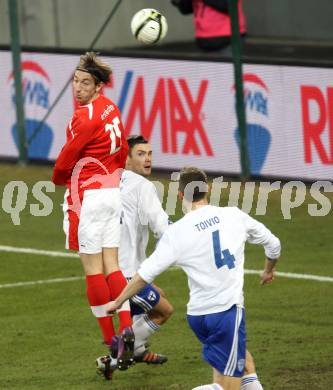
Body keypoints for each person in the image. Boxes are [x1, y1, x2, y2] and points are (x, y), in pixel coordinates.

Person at [106, 167, 281, 390]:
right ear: (207, 189)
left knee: (245, 363)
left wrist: (118, 301)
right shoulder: (234, 215)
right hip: (226, 312)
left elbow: (144, 275)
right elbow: (274, 244)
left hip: (198, 316)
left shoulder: (176, 232)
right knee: (228, 387)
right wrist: (268, 270)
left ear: (180, 195)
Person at [52, 52, 134, 371]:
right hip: (112, 191)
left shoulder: (84, 117)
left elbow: (68, 156)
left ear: (98, 86)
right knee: (112, 264)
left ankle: (110, 338)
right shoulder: (111, 108)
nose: (78, 88)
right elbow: (123, 148)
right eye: (75, 81)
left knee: (92, 269)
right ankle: (126, 327)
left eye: (85, 82)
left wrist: (59, 178)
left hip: (89, 194)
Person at [96, 135, 174, 379]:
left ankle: (137, 349)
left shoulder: (106, 181)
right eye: (140, 154)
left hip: (106, 272)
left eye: (150, 153)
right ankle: (112, 359)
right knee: (164, 311)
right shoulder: (143, 186)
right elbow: (162, 227)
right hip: (126, 273)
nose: (148, 158)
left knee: (158, 294)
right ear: (127, 158)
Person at [171, 0, 246, 51]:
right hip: (203, 40)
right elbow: (185, 9)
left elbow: (228, 5)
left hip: (227, 41)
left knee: (227, 73)